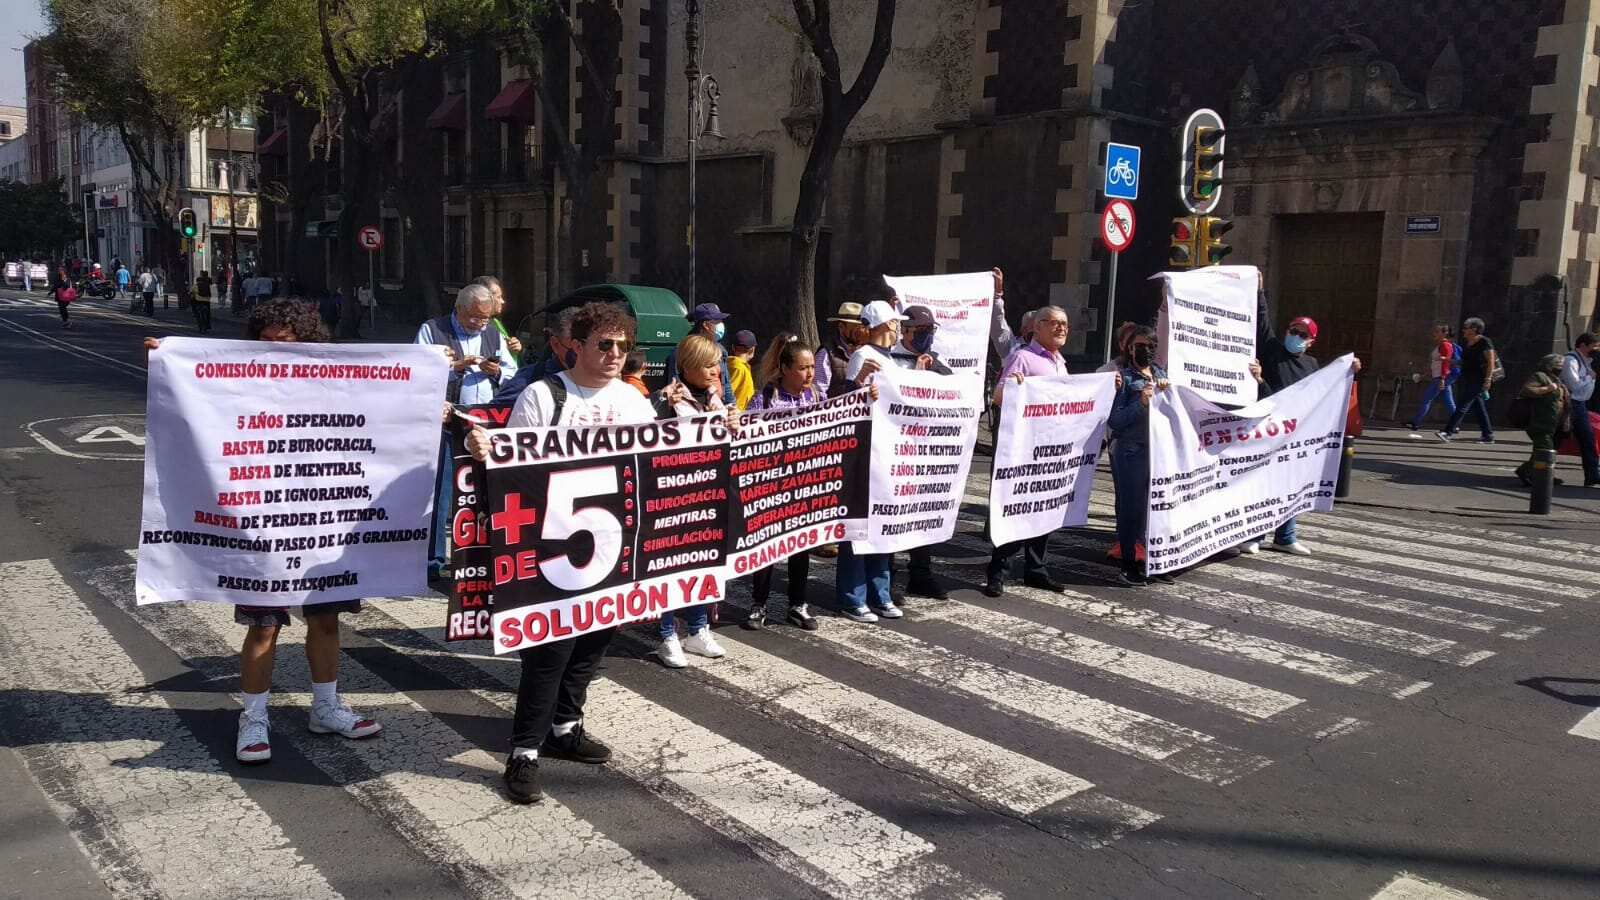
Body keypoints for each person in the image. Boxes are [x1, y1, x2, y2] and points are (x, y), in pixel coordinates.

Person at [143, 299, 382, 764]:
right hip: (261, 522)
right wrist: (166, 362)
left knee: (326, 619)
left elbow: (381, 407)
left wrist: (431, 375)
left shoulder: (331, 384)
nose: (275, 350)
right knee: (264, 627)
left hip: (319, 521)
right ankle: (253, 717)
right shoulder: (239, 383)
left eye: (286, 342)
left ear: (308, 344)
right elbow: (193, 400)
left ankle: (326, 707)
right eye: (266, 341)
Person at [465, 302, 656, 805]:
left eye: (622, 345)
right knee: (549, 651)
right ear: (577, 346)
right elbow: (512, 465)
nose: (616, 354)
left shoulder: (636, 401)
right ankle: (524, 751)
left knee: (594, 643)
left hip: (614, 542)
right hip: (551, 546)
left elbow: (659, 463)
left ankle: (566, 727)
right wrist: (487, 447)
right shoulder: (543, 395)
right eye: (604, 344)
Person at [416, 284, 519, 578]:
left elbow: (512, 371)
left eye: (485, 319)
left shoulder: (492, 332)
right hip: (447, 419)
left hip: (483, 420)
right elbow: (417, 371)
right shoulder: (432, 330)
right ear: (459, 309)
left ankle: (478, 556)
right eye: (474, 318)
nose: (480, 324)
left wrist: (496, 371)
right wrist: (455, 366)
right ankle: (433, 561)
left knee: (483, 491)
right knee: (441, 493)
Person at [649, 334, 738, 668]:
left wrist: (733, 423)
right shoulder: (668, 399)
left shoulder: (715, 397)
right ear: (687, 367)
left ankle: (698, 628)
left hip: (708, 493)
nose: (716, 370)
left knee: (702, 561)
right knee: (669, 566)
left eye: (717, 363)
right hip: (672, 496)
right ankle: (667, 633)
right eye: (708, 364)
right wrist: (660, 406)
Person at [985, 305, 1075, 597]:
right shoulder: (1022, 357)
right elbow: (998, 396)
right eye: (1052, 323)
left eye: (1064, 324)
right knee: (1018, 510)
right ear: (1036, 328)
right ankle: (998, 571)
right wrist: (1014, 386)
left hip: (1050, 449)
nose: (1060, 328)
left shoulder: (1060, 362)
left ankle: (1036, 570)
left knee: (1043, 510)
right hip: (1025, 449)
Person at [742, 334, 826, 630]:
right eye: (803, 368)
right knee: (766, 548)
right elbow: (747, 436)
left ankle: (797, 604)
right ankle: (759, 604)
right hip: (770, 485)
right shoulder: (764, 397)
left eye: (812, 367)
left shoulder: (816, 397)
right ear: (786, 368)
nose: (809, 374)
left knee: (800, 547)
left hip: (804, 484)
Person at [838, 300, 911, 622]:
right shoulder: (862, 357)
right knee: (859, 528)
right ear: (885, 326)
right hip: (866, 454)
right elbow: (850, 404)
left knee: (882, 525)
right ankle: (853, 596)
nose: (898, 329)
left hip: (887, 453)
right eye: (895, 324)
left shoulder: (890, 359)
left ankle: (879, 593)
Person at [884, 305, 954, 602]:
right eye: (922, 331)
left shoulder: (937, 362)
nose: (927, 337)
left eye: (930, 331)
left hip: (924, 452)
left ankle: (920, 574)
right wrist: (917, 376)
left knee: (921, 514)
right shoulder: (890, 361)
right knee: (891, 514)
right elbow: (892, 397)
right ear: (906, 331)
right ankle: (886, 579)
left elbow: (953, 395)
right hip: (894, 451)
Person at [1107, 326, 1172, 586]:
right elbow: (1115, 420)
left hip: (1158, 452)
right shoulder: (1122, 378)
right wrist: (1141, 403)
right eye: (1141, 345)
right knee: (1131, 510)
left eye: (1151, 345)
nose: (1146, 350)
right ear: (1130, 348)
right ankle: (1128, 563)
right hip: (1131, 451)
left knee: (1154, 509)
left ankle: (1151, 561)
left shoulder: (1161, 375)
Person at [1438, 317, 1497, 444]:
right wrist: (1449, 360)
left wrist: (1488, 379)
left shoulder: (1485, 342)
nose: (1463, 330)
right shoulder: (1468, 344)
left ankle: (1448, 432)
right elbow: (1463, 362)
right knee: (1479, 407)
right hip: (1469, 378)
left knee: (1463, 404)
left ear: (1474, 329)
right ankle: (1488, 435)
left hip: (1479, 379)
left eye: (1466, 327)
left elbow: (1491, 361)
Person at [1515, 354, 1570, 488]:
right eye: (1558, 365)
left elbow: (1565, 401)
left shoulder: (1557, 379)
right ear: (1549, 365)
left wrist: (1566, 420)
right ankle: (1526, 471)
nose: (1560, 368)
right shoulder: (1540, 376)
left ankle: (1544, 474)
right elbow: (1527, 390)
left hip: (1555, 424)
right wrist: (1547, 389)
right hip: (1540, 422)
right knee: (1545, 450)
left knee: (1545, 451)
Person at [664, 303, 734, 406]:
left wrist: (731, 406)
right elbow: (674, 385)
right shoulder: (683, 351)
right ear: (705, 325)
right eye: (717, 321)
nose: (721, 324)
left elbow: (725, 384)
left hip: (717, 410)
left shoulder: (720, 350)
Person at [1560, 333, 1598, 487]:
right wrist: (1590, 377)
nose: (1594, 350)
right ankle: (1532, 471)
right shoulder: (1570, 361)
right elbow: (1574, 385)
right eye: (1592, 346)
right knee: (1558, 439)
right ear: (1582, 345)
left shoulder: (1586, 361)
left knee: (1587, 440)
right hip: (1570, 404)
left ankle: (1592, 475)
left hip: (1580, 404)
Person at [1406, 323, 1459, 433]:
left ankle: (1415, 422)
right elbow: (1435, 364)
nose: (1434, 333)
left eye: (1437, 331)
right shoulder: (1441, 345)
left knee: (1427, 399)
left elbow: (1445, 363)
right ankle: (1455, 425)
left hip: (1440, 377)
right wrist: (1424, 375)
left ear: (1445, 333)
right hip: (1439, 376)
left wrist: (1443, 378)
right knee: (1448, 401)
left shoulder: (1445, 345)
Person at [815, 301, 865, 399]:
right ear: (841, 327)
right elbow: (819, 393)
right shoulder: (826, 354)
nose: (861, 331)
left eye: (863, 327)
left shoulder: (869, 352)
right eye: (856, 327)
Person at [471, 274, 525, 358]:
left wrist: (513, 347)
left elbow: (498, 351)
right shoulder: (471, 326)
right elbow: (482, 357)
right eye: (499, 297)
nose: (503, 301)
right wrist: (504, 350)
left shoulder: (495, 322)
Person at [728, 329, 757, 410]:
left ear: (733, 348)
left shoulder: (729, 364)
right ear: (752, 350)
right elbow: (729, 392)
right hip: (737, 414)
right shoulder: (739, 368)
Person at [51, 264, 74, 329]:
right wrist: (51, 291)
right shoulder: (59, 276)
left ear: (64, 270)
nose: (59, 271)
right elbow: (55, 285)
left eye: (61, 270)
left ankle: (67, 321)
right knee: (62, 309)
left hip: (64, 295)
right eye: (59, 270)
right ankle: (66, 321)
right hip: (60, 295)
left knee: (62, 308)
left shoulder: (63, 276)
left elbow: (65, 285)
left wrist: (62, 286)